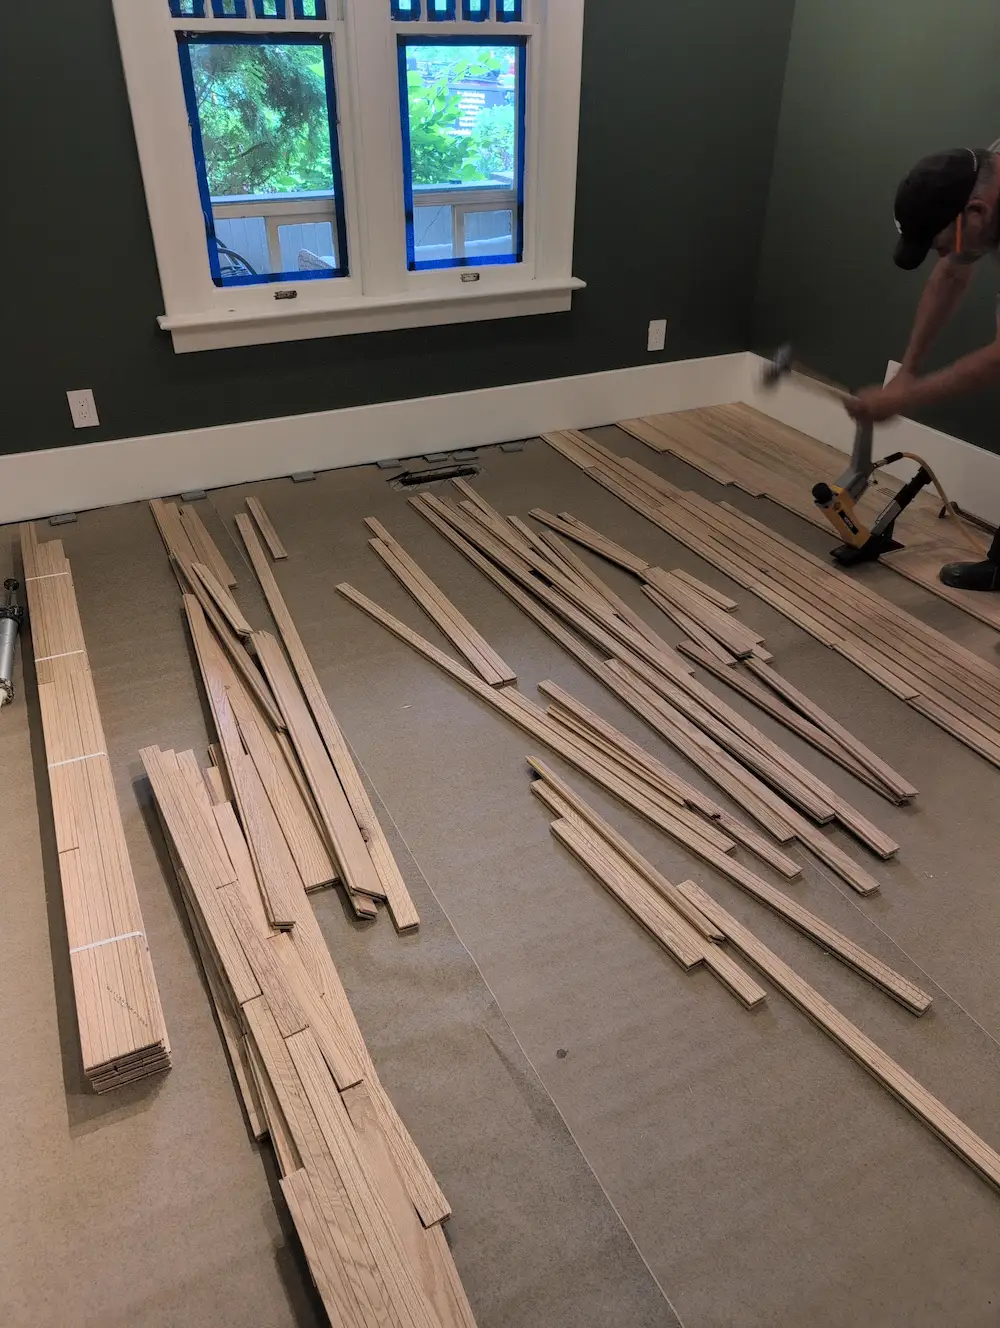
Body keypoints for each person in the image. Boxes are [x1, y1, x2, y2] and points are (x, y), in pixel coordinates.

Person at [846, 143, 1000, 590]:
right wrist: (907, 374)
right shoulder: (984, 179)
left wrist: (906, 397)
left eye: (938, 243)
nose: (940, 254)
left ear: (976, 213)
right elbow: (952, 271)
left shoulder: (981, 200)